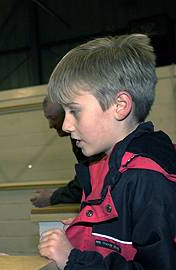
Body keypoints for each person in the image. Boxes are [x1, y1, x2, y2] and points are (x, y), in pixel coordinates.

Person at [38, 34, 176, 270]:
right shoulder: (102, 168)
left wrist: (74, 260)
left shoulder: (147, 177)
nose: (65, 125)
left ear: (120, 106)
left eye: (74, 111)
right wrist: (89, 233)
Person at [30, 96, 96, 207]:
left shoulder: (87, 135)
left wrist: (53, 197)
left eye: (53, 118)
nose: (50, 125)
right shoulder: (76, 136)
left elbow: (89, 182)